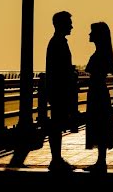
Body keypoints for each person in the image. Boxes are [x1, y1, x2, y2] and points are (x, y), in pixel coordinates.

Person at [84, 22, 113, 174]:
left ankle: (101, 162)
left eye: (92, 32)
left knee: (98, 124)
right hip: (100, 92)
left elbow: (95, 76)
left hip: (97, 93)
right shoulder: (104, 53)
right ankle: (100, 160)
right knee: (100, 124)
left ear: (98, 35)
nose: (89, 34)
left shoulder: (100, 55)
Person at [46, 10, 76, 172]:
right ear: (61, 24)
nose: (72, 26)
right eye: (69, 23)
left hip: (58, 90)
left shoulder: (58, 42)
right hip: (59, 90)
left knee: (57, 124)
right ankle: (55, 159)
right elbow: (58, 70)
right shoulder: (58, 43)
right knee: (56, 125)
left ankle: (56, 158)